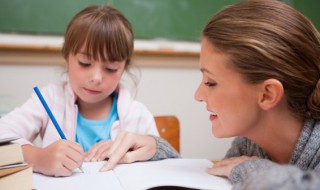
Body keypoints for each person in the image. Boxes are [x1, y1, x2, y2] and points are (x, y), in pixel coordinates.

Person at [96, 0, 320, 189]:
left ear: (267, 94)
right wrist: (158, 150)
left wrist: (252, 170)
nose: (198, 95)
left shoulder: (253, 157)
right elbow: (211, 178)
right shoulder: (249, 145)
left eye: (211, 82)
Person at [0, 5, 159, 177]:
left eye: (111, 68)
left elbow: (169, 162)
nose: (96, 77)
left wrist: (153, 147)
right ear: (66, 57)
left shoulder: (137, 115)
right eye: (84, 63)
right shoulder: (49, 100)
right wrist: (38, 158)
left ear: (124, 67)